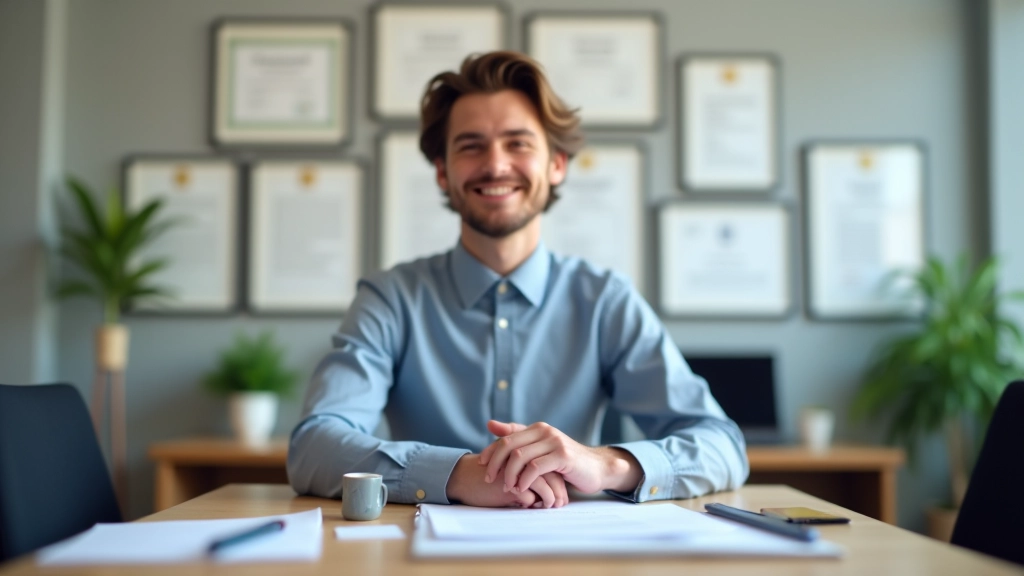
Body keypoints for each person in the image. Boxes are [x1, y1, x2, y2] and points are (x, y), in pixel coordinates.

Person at [288, 51, 749, 509]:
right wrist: (456, 475)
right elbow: (314, 446)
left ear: (557, 165)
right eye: (471, 145)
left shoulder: (605, 300)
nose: (496, 164)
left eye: (518, 143)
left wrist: (604, 464)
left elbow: (722, 445)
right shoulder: (390, 299)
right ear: (443, 173)